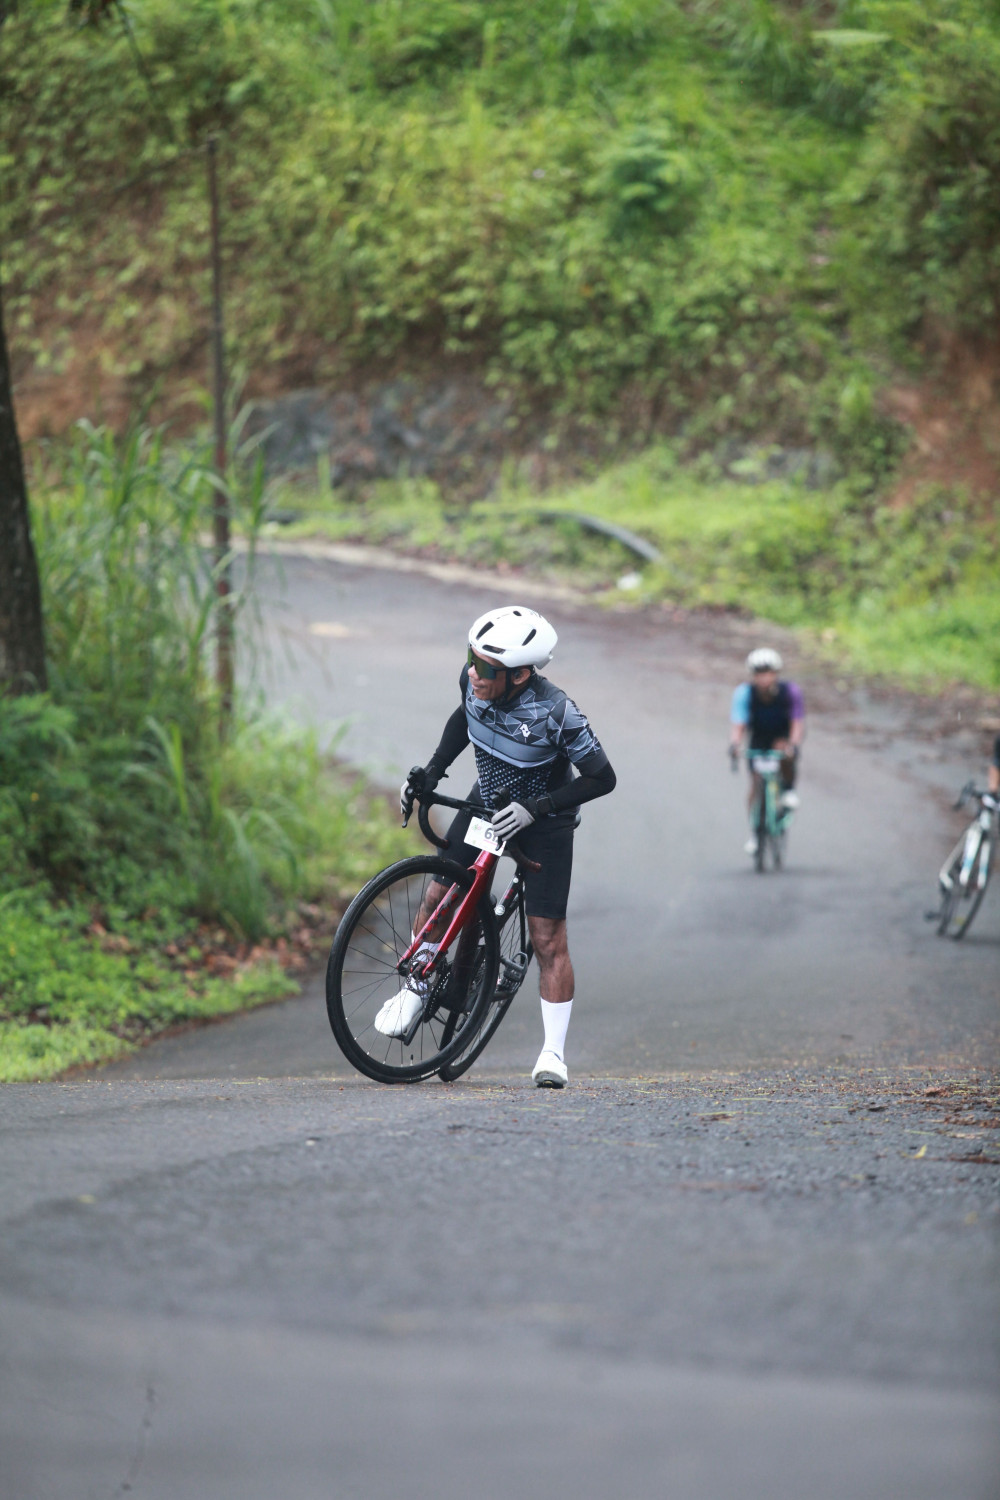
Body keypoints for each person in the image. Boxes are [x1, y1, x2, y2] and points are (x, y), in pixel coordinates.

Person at [386, 605, 616, 1089]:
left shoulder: (557, 713)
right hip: (488, 803)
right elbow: (463, 718)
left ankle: (553, 1053)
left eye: (486, 668)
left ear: (521, 674)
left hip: (545, 822)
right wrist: (431, 774)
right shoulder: (473, 681)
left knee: (547, 938)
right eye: (471, 658)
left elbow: (602, 778)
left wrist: (538, 807)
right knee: (438, 895)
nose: (474, 672)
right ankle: (418, 985)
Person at [728, 647, 805, 856]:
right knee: (755, 784)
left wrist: (793, 744)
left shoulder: (790, 692)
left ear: (775, 673)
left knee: (784, 753)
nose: (764, 678)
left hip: (781, 737)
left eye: (768, 673)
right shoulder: (745, 693)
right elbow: (738, 723)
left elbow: (796, 723)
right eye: (759, 673)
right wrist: (735, 744)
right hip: (759, 739)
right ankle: (755, 832)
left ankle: (788, 790)